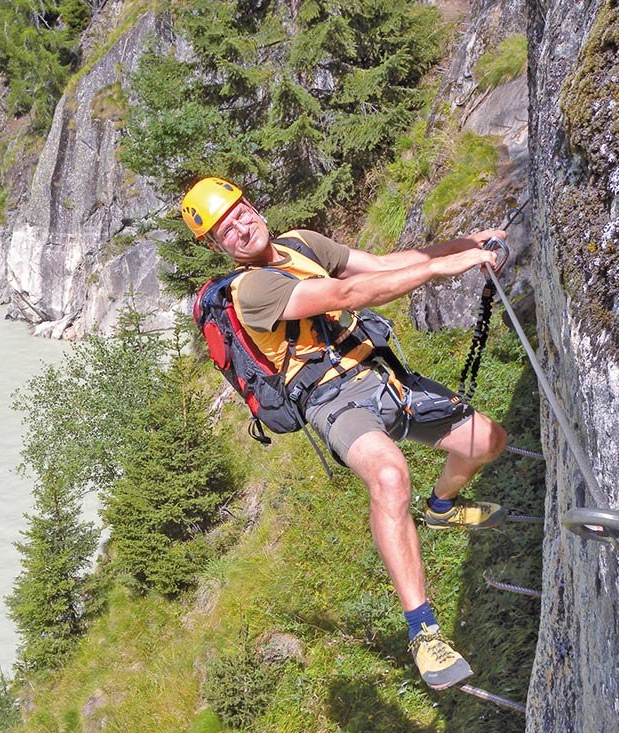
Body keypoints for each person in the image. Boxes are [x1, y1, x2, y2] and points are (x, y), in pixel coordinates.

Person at [181, 177, 509, 690]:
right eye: (226, 231)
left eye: (239, 213)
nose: (241, 229)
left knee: (487, 441)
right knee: (389, 474)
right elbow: (346, 293)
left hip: (378, 375)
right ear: (218, 247)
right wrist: (441, 269)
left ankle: (441, 507)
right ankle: (423, 632)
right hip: (331, 400)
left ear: (251, 205)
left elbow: (378, 264)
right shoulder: (252, 290)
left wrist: (464, 245)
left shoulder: (300, 244)